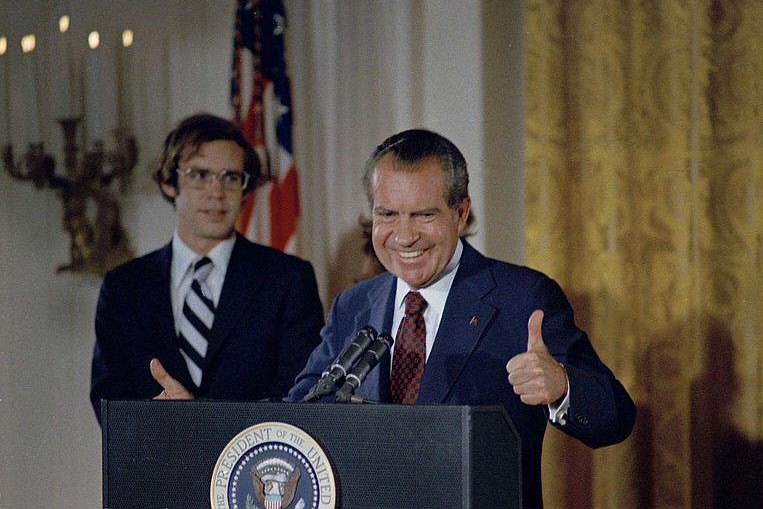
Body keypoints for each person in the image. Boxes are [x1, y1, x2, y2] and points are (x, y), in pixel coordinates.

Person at [286, 129, 636, 509]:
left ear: (460, 213)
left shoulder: (521, 299)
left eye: (423, 214)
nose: (404, 236)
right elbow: (299, 414)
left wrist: (562, 386)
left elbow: (615, 418)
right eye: (387, 214)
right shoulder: (352, 306)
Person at [90, 113, 324, 422]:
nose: (217, 192)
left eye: (230, 177)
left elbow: (299, 400)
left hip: (253, 468)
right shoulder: (124, 286)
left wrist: (201, 427)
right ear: (169, 183)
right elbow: (109, 403)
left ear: (245, 188)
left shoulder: (289, 280)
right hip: (157, 466)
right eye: (199, 175)